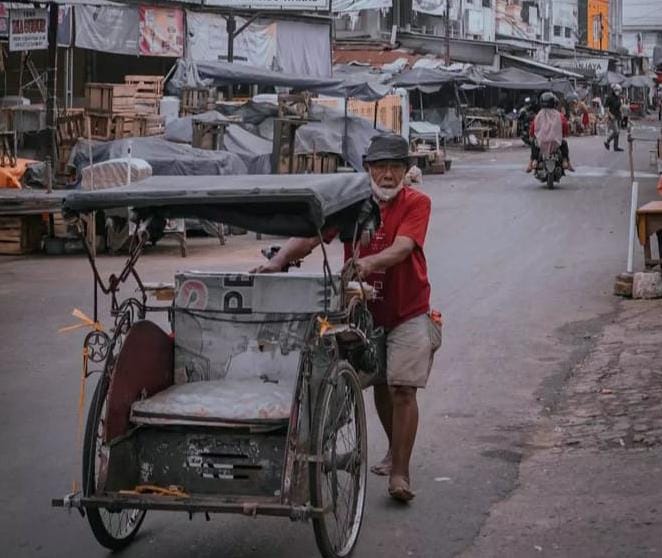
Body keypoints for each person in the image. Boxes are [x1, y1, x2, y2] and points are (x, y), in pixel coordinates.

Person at [255, 133, 441, 503]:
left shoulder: (417, 202)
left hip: (409, 311)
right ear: (368, 169)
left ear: (405, 171)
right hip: (361, 312)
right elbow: (311, 238)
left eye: (395, 167)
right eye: (380, 167)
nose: (387, 175)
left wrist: (367, 263)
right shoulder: (350, 203)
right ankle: (388, 451)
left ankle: (400, 472)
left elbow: (403, 247)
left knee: (402, 387)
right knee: (375, 383)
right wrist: (277, 262)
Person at [526, 91, 574, 173]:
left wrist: (532, 135)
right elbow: (565, 127)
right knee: (564, 144)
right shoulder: (559, 115)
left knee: (534, 144)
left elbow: (533, 129)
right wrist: (565, 134)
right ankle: (566, 161)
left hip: (541, 143)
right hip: (556, 143)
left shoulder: (538, 115)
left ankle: (533, 162)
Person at [604, 83, 625, 152]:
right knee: (616, 131)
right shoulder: (609, 97)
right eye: (617, 90)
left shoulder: (618, 97)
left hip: (618, 115)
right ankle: (607, 141)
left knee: (618, 132)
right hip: (612, 117)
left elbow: (620, 106)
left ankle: (616, 147)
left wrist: (622, 113)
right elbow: (606, 108)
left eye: (619, 91)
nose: (618, 92)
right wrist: (610, 115)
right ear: (613, 90)